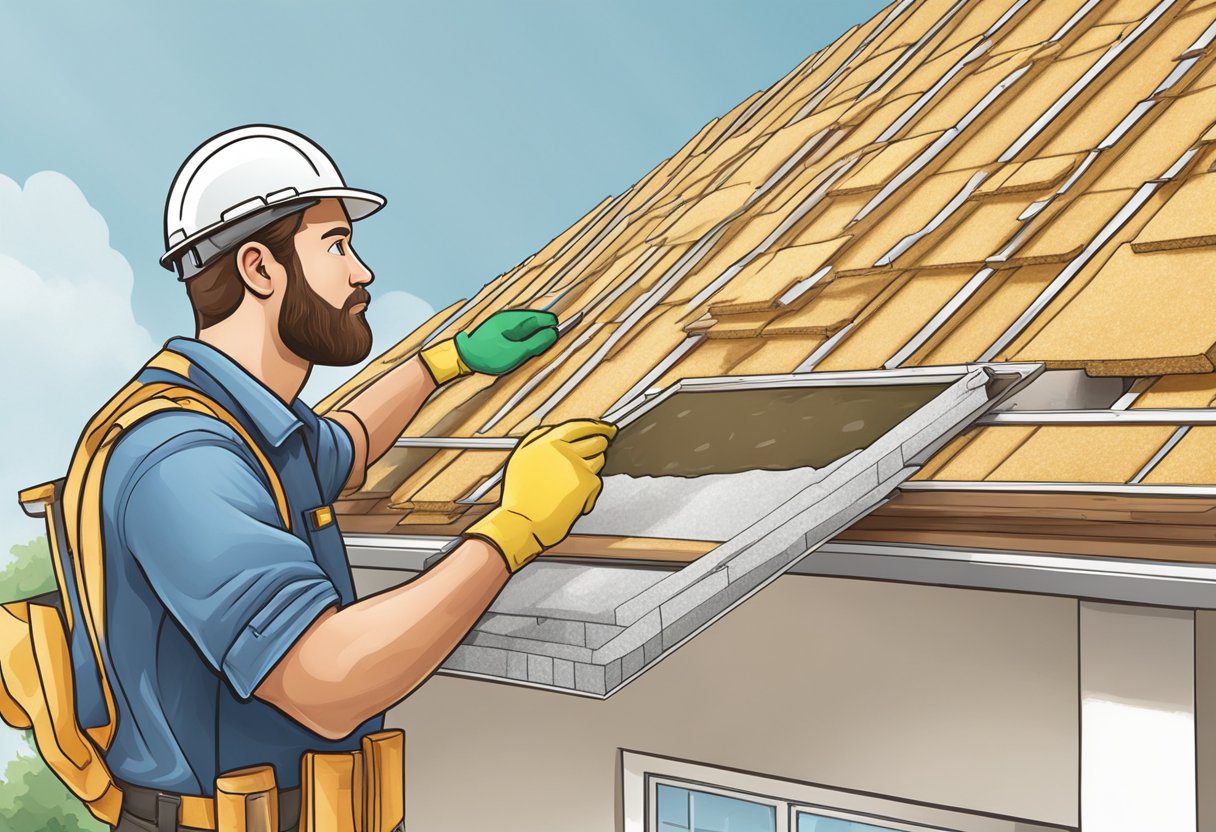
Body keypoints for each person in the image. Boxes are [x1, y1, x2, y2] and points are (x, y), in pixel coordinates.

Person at [86, 125, 616, 831]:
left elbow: (346, 445)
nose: (362, 272)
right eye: (336, 245)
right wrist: (513, 528)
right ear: (259, 269)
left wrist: (447, 361)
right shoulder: (183, 459)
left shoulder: (251, 427)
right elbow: (323, 680)